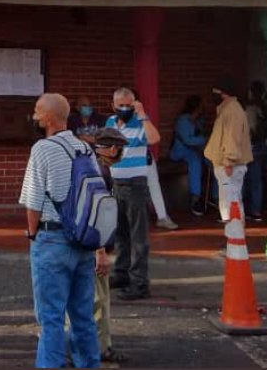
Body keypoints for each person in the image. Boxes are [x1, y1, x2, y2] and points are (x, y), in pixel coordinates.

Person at [20, 93, 99, 368]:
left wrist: (32, 235)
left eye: (37, 111)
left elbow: (32, 202)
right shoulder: (85, 149)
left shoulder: (42, 149)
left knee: (51, 318)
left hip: (51, 239)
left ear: (50, 118)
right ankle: (89, 364)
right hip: (83, 241)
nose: (34, 116)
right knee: (83, 316)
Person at [65, 125, 128, 366]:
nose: (121, 153)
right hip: (94, 248)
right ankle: (90, 350)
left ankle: (98, 347)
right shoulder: (101, 174)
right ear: (112, 149)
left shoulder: (86, 167)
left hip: (82, 245)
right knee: (95, 302)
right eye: (119, 148)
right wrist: (100, 252)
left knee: (92, 301)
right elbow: (96, 215)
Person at [106, 87, 159, 301]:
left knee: (138, 235)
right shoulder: (110, 122)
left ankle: (140, 283)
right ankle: (121, 274)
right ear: (113, 106)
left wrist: (143, 114)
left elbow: (155, 138)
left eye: (129, 105)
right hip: (116, 183)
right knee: (120, 233)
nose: (125, 109)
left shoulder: (140, 122)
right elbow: (105, 148)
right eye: (121, 106)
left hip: (135, 184)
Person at [204, 77, 252, 223]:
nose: (214, 94)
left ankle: (234, 242)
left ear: (224, 93)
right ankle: (233, 241)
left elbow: (232, 137)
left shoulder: (231, 111)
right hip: (227, 165)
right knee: (231, 203)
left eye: (216, 91)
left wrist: (229, 161)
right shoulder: (229, 109)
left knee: (230, 205)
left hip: (229, 166)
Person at [168, 94, 208, 217]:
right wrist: (205, 139)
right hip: (180, 151)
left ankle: (216, 197)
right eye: (201, 106)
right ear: (195, 107)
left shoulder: (199, 120)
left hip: (197, 150)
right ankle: (195, 199)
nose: (203, 108)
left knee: (213, 161)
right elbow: (188, 140)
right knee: (195, 161)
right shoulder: (183, 120)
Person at [244, 81, 267, 222]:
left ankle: (248, 209)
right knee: (257, 180)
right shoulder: (265, 107)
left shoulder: (250, 109)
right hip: (263, 146)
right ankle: (256, 210)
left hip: (251, 146)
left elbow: (249, 130)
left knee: (245, 178)